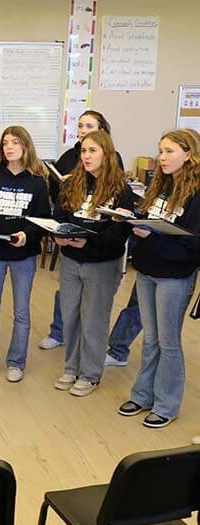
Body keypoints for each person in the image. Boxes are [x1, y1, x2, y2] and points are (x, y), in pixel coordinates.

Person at [118, 130, 200, 429]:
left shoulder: (196, 195)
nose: (161, 158)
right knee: (150, 339)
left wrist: (151, 235)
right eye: (160, 151)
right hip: (148, 270)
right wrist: (132, 218)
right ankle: (142, 395)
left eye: (169, 152)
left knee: (168, 343)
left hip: (174, 277)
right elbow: (154, 220)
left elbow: (192, 246)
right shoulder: (161, 185)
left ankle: (167, 405)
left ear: (188, 154)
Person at [52, 130, 134, 396]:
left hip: (101, 264)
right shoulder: (73, 182)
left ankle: (90, 374)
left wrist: (88, 243)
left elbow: (118, 235)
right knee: (71, 316)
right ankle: (70, 368)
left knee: (93, 320)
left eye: (92, 151)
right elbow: (60, 214)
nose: (86, 157)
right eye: (84, 151)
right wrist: (59, 235)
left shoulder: (121, 191)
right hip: (71, 261)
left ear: (106, 154)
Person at [40, 109, 126, 351]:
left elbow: (111, 201)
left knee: (92, 313)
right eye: (80, 126)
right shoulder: (69, 155)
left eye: (89, 126)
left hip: (97, 247)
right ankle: (60, 334)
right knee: (67, 299)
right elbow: (58, 198)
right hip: (71, 240)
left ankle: (88, 364)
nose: (82, 131)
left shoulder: (113, 163)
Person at [0, 125, 50, 383]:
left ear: (25, 146)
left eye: (15, 142)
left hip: (23, 256)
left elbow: (42, 219)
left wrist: (27, 235)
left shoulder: (37, 183)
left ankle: (16, 362)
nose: (9, 147)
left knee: (21, 312)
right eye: (5, 143)